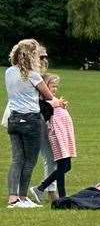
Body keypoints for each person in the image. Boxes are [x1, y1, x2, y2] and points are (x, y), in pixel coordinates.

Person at [6, 39, 60, 209]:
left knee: (17, 160)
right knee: (29, 161)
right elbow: (48, 95)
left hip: (13, 119)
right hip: (31, 120)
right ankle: (22, 197)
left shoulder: (8, 72)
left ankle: (12, 198)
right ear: (31, 56)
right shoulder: (33, 75)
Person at [32, 73, 75, 205]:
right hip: (57, 136)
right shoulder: (44, 101)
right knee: (63, 165)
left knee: (66, 166)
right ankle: (62, 197)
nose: (55, 89)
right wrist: (56, 104)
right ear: (44, 86)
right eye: (52, 86)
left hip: (64, 136)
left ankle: (40, 188)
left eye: (56, 86)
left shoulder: (53, 100)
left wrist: (60, 105)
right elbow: (45, 111)